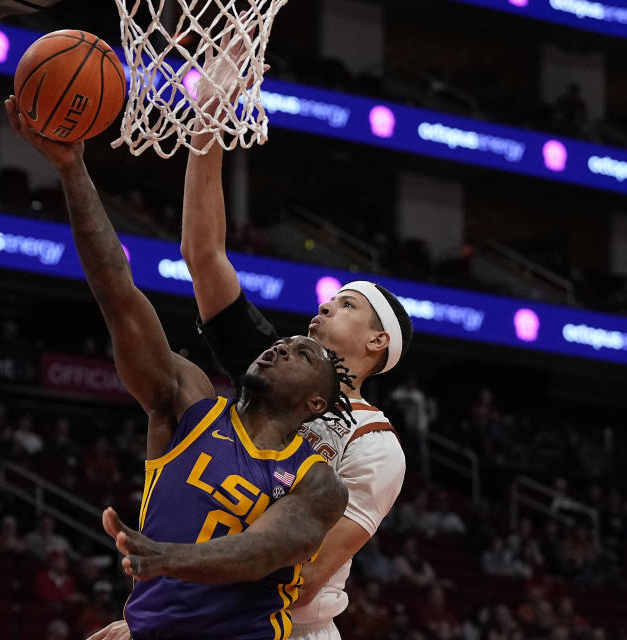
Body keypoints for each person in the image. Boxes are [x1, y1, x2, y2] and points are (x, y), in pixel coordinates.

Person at [92, 37, 411, 640]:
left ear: (376, 344)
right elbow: (203, 254)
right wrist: (209, 120)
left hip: (283, 624)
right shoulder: (272, 372)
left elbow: (307, 575)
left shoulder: (376, 448)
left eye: (346, 304)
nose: (324, 306)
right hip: (200, 606)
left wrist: (164, 622)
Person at [7, 97, 350, 639]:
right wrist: (73, 171)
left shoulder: (319, 480)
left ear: (316, 403)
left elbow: (261, 552)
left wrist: (167, 558)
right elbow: (118, 293)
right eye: (282, 343)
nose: (283, 348)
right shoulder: (186, 402)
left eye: (302, 354)